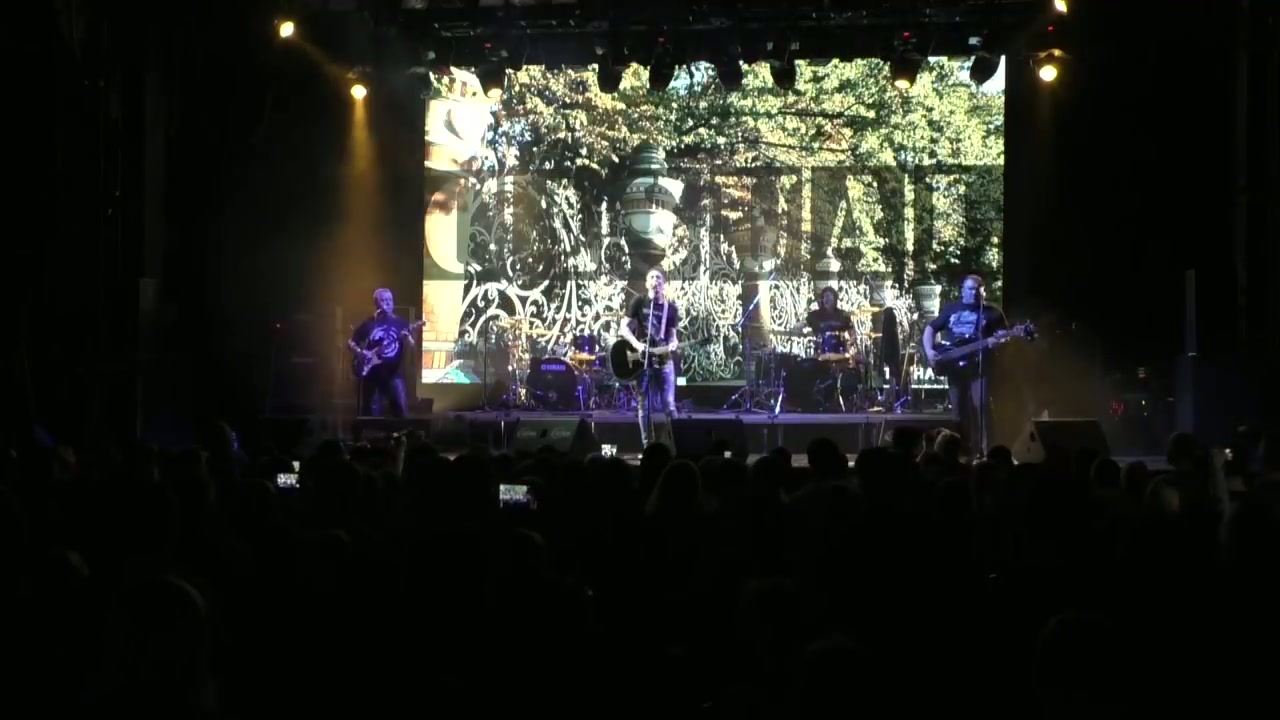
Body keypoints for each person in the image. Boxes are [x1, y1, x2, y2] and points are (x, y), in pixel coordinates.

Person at [921, 274, 1007, 456]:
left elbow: (1003, 337)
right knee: (958, 413)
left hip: (980, 367)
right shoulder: (951, 309)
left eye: (978, 289)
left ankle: (987, 452)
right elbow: (930, 328)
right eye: (970, 289)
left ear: (983, 291)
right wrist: (929, 351)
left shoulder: (993, 313)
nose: (974, 293)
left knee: (982, 407)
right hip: (954, 367)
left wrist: (998, 342)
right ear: (962, 290)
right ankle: (962, 452)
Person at [619, 269, 680, 447]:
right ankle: (647, 446)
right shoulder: (639, 302)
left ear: (664, 284)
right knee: (643, 405)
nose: (655, 281)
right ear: (647, 284)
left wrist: (673, 343)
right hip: (643, 359)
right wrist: (637, 345)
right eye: (652, 277)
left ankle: (678, 444)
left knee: (669, 404)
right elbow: (624, 327)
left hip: (664, 359)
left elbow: (673, 336)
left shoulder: (671, 309)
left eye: (659, 278)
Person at [348, 288, 416, 418]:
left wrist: (407, 339)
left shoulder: (401, 323)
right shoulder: (368, 324)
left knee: (402, 414)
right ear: (376, 303)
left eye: (390, 300)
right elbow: (351, 342)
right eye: (384, 300)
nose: (388, 303)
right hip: (372, 376)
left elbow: (411, 345)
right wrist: (360, 353)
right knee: (373, 417)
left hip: (394, 375)